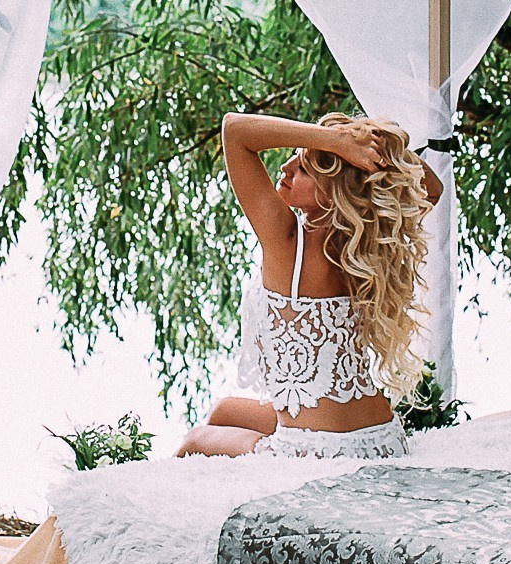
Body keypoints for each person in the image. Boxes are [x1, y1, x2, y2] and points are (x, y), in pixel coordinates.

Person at [176, 111, 441, 459]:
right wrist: (364, 142)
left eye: (302, 169)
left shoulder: (289, 243)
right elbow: (431, 187)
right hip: (383, 438)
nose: (284, 168)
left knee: (195, 440)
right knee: (224, 411)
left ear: (333, 192)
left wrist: (336, 141)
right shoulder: (371, 245)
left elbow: (234, 130)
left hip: (315, 451)